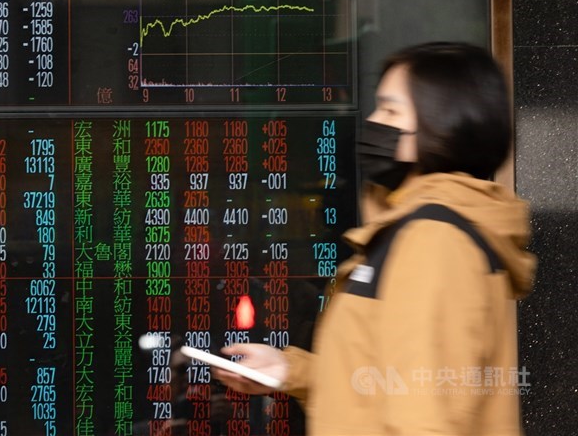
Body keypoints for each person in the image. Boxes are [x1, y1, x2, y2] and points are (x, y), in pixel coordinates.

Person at [215, 42, 537, 435]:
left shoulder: (435, 241)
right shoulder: (422, 231)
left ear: (442, 124)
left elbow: (427, 419)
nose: (372, 121)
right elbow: (389, 384)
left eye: (390, 109)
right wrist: (290, 371)